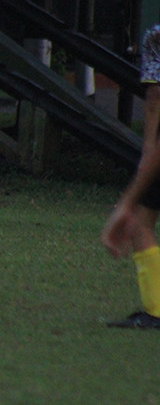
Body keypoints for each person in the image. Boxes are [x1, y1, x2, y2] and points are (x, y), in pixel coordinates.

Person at [102, 23, 160, 328]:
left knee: (140, 219)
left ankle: (157, 310)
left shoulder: (156, 35)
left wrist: (148, 150)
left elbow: (155, 96)